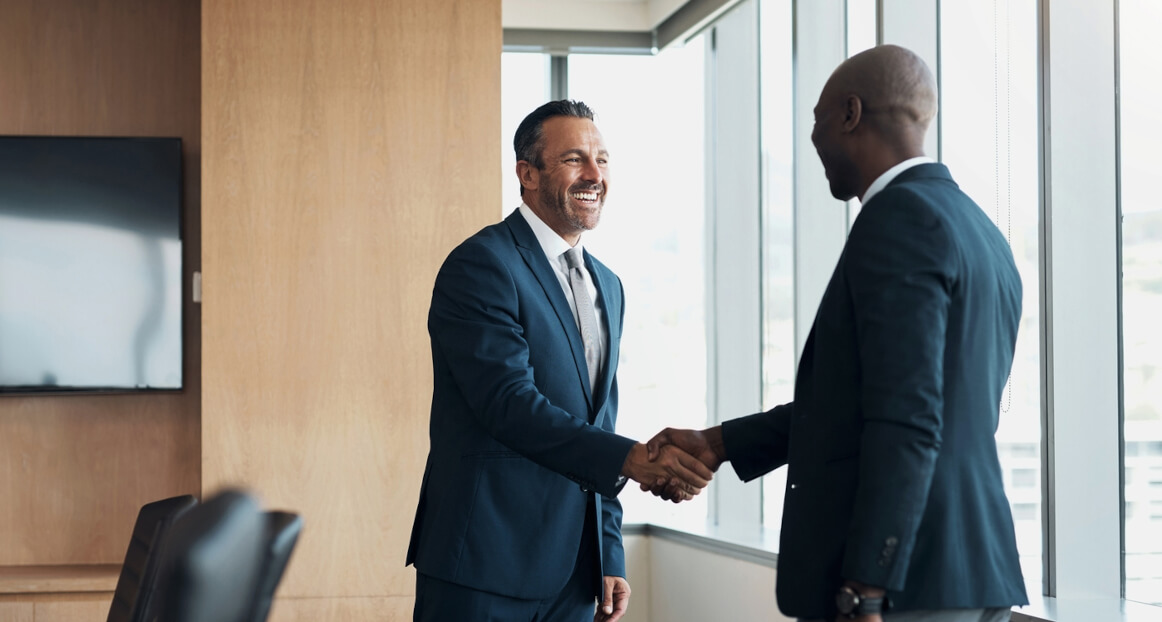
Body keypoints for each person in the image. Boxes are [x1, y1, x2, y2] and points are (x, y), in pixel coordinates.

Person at [646, 45, 1029, 622]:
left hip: (904, 585)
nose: (813, 139)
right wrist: (719, 444)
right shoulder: (982, 231)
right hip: (971, 571)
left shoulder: (899, 218)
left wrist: (867, 586)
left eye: (817, 120)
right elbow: (879, 402)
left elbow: (908, 417)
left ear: (851, 113)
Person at [406, 99, 713, 622]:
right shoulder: (481, 265)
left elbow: (599, 421)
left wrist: (608, 552)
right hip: (484, 563)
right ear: (527, 174)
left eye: (602, 159)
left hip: (575, 574)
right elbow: (509, 404)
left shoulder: (608, 285)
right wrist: (632, 459)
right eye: (574, 159)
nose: (594, 174)